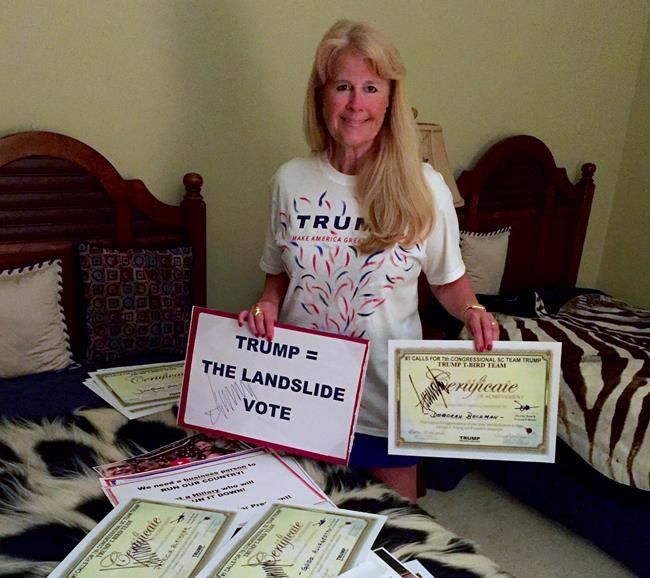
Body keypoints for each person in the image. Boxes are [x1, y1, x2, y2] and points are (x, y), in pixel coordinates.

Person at [238, 19, 498, 501]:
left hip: (386, 397)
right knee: (304, 528)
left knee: (397, 529)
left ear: (390, 99)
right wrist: (266, 304)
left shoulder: (424, 187)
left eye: (371, 88)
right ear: (321, 97)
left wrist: (473, 311)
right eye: (342, 87)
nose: (356, 104)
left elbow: (447, 280)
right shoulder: (289, 181)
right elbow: (277, 273)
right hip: (299, 393)